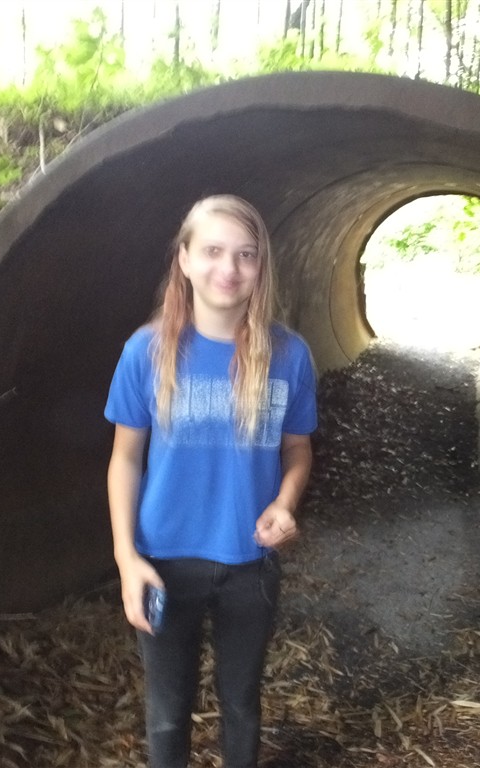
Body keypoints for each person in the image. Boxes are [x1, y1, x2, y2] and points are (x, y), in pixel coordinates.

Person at [104, 195, 317, 768]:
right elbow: (125, 459)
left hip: (250, 562)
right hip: (163, 562)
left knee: (242, 705)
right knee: (167, 713)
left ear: (261, 266)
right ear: (185, 259)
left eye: (246, 254)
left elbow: (297, 449)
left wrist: (285, 502)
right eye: (214, 251)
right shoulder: (146, 352)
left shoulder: (289, 355)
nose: (230, 268)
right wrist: (127, 558)